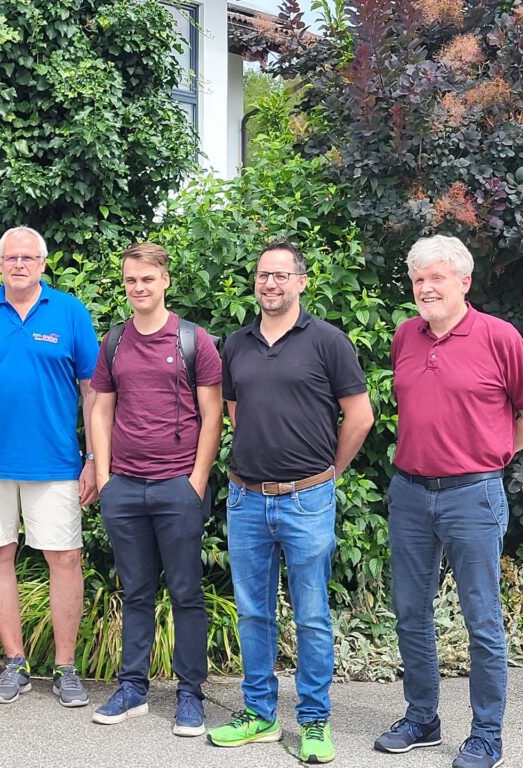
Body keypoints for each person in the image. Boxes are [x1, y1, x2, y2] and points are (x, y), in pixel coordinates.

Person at [373, 235, 523, 768]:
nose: (425, 288)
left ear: (464, 282)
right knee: (409, 611)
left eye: (436, 278)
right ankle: (422, 717)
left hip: (472, 495)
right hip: (409, 493)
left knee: (482, 619)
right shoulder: (406, 336)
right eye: (418, 279)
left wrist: (492, 454)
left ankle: (487, 734)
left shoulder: (498, 337)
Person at [207, 240, 374, 764]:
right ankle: (259, 715)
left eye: (281, 275)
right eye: (263, 276)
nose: (270, 284)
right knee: (254, 614)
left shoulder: (328, 342)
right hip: (246, 498)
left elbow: (361, 416)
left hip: (308, 500)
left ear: (302, 281)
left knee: (311, 616)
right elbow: (236, 409)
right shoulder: (236, 344)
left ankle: (315, 721)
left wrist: (329, 473)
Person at [0, 226, 99, 707]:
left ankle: (66, 667)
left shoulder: (70, 312)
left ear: (43, 263)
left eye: (28, 258)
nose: (19, 264)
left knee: (65, 559)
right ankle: (15, 662)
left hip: (56, 463)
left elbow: (94, 391)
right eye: (11, 257)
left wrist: (95, 458)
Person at [89, 243, 223, 735]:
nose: (138, 288)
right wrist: (105, 478)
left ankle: (190, 694)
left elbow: (213, 415)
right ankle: (132, 689)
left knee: (187, 593)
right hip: (124, 486)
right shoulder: (114, 342)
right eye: (130, 280)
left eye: (147, 279)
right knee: (138, 592)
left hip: (177, 487)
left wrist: (197, 481)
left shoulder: (194, 340)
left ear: (165, 280)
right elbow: (101, 409)